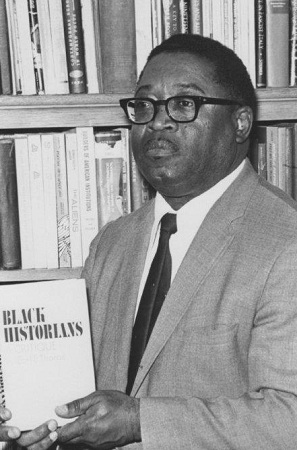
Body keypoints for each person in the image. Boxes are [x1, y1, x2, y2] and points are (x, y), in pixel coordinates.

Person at [2, 33, 297, 449]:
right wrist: (33, 419)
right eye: (144, 106)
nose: (157, 122)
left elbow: (288, 418)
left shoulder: (285, 242)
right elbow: (81, 391)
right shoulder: (112, 242)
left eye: (183, 104)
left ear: (240, 123)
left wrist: (141, 421)